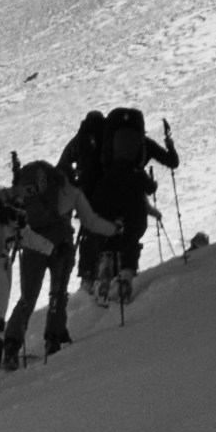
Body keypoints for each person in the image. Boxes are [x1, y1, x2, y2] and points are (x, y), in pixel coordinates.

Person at [65, 103, 182, 305]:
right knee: (133, 231)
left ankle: (104, 266)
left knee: (108, 231)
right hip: (133, 193)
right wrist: (169, 144)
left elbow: (91, 169)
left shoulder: (104, 146)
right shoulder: (144, 144)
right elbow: (172, 162)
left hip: (105, 192)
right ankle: (124, 281)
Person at [0, 149, 75, 367]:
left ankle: (11, 344)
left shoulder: (26, 187)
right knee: (58, 292)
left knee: (28, 297)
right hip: (60, 241)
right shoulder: (60, 184)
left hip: (31, 245)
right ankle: (54, 337)